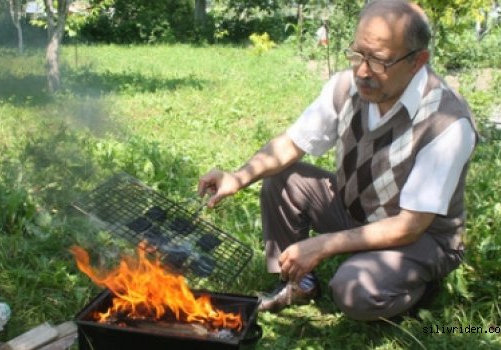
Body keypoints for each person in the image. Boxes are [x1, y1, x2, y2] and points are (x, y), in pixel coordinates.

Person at [198, 0, 477, 321]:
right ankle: (297, 283)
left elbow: (409, 226)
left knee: (353, 288)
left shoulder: (446, 122)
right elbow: (291, 143)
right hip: (356, 210)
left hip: (421, 237)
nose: (361, 70)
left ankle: (417, 289)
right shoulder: (347, 87)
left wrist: (324, 244)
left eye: (378, 60)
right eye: (357, 53)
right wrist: (238, 176)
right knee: (281, 179)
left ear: (418, 61)